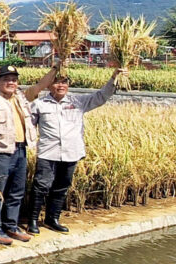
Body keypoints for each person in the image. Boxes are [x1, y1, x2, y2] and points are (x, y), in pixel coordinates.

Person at [27, 69, 124, 233]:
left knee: (61, 187)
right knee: (41, 186)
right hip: (48, 153)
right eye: (57, 82)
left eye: (64, 82)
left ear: (68, 85)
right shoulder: (40, 104)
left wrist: (114, 77)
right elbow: (29, 127)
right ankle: (33, 221)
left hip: (71, 152)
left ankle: (52, 219)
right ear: (49, 85)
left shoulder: (78, 101)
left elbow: (101, 96)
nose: (61, 85)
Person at [0, 64, 58, 245]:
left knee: (16, 192)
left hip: (21, 150)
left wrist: (57, 67)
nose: (10, 82)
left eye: (13, 79)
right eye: (6, 79)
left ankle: (11, 226)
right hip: (0, 152)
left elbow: (41, 85)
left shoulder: (21, 97)